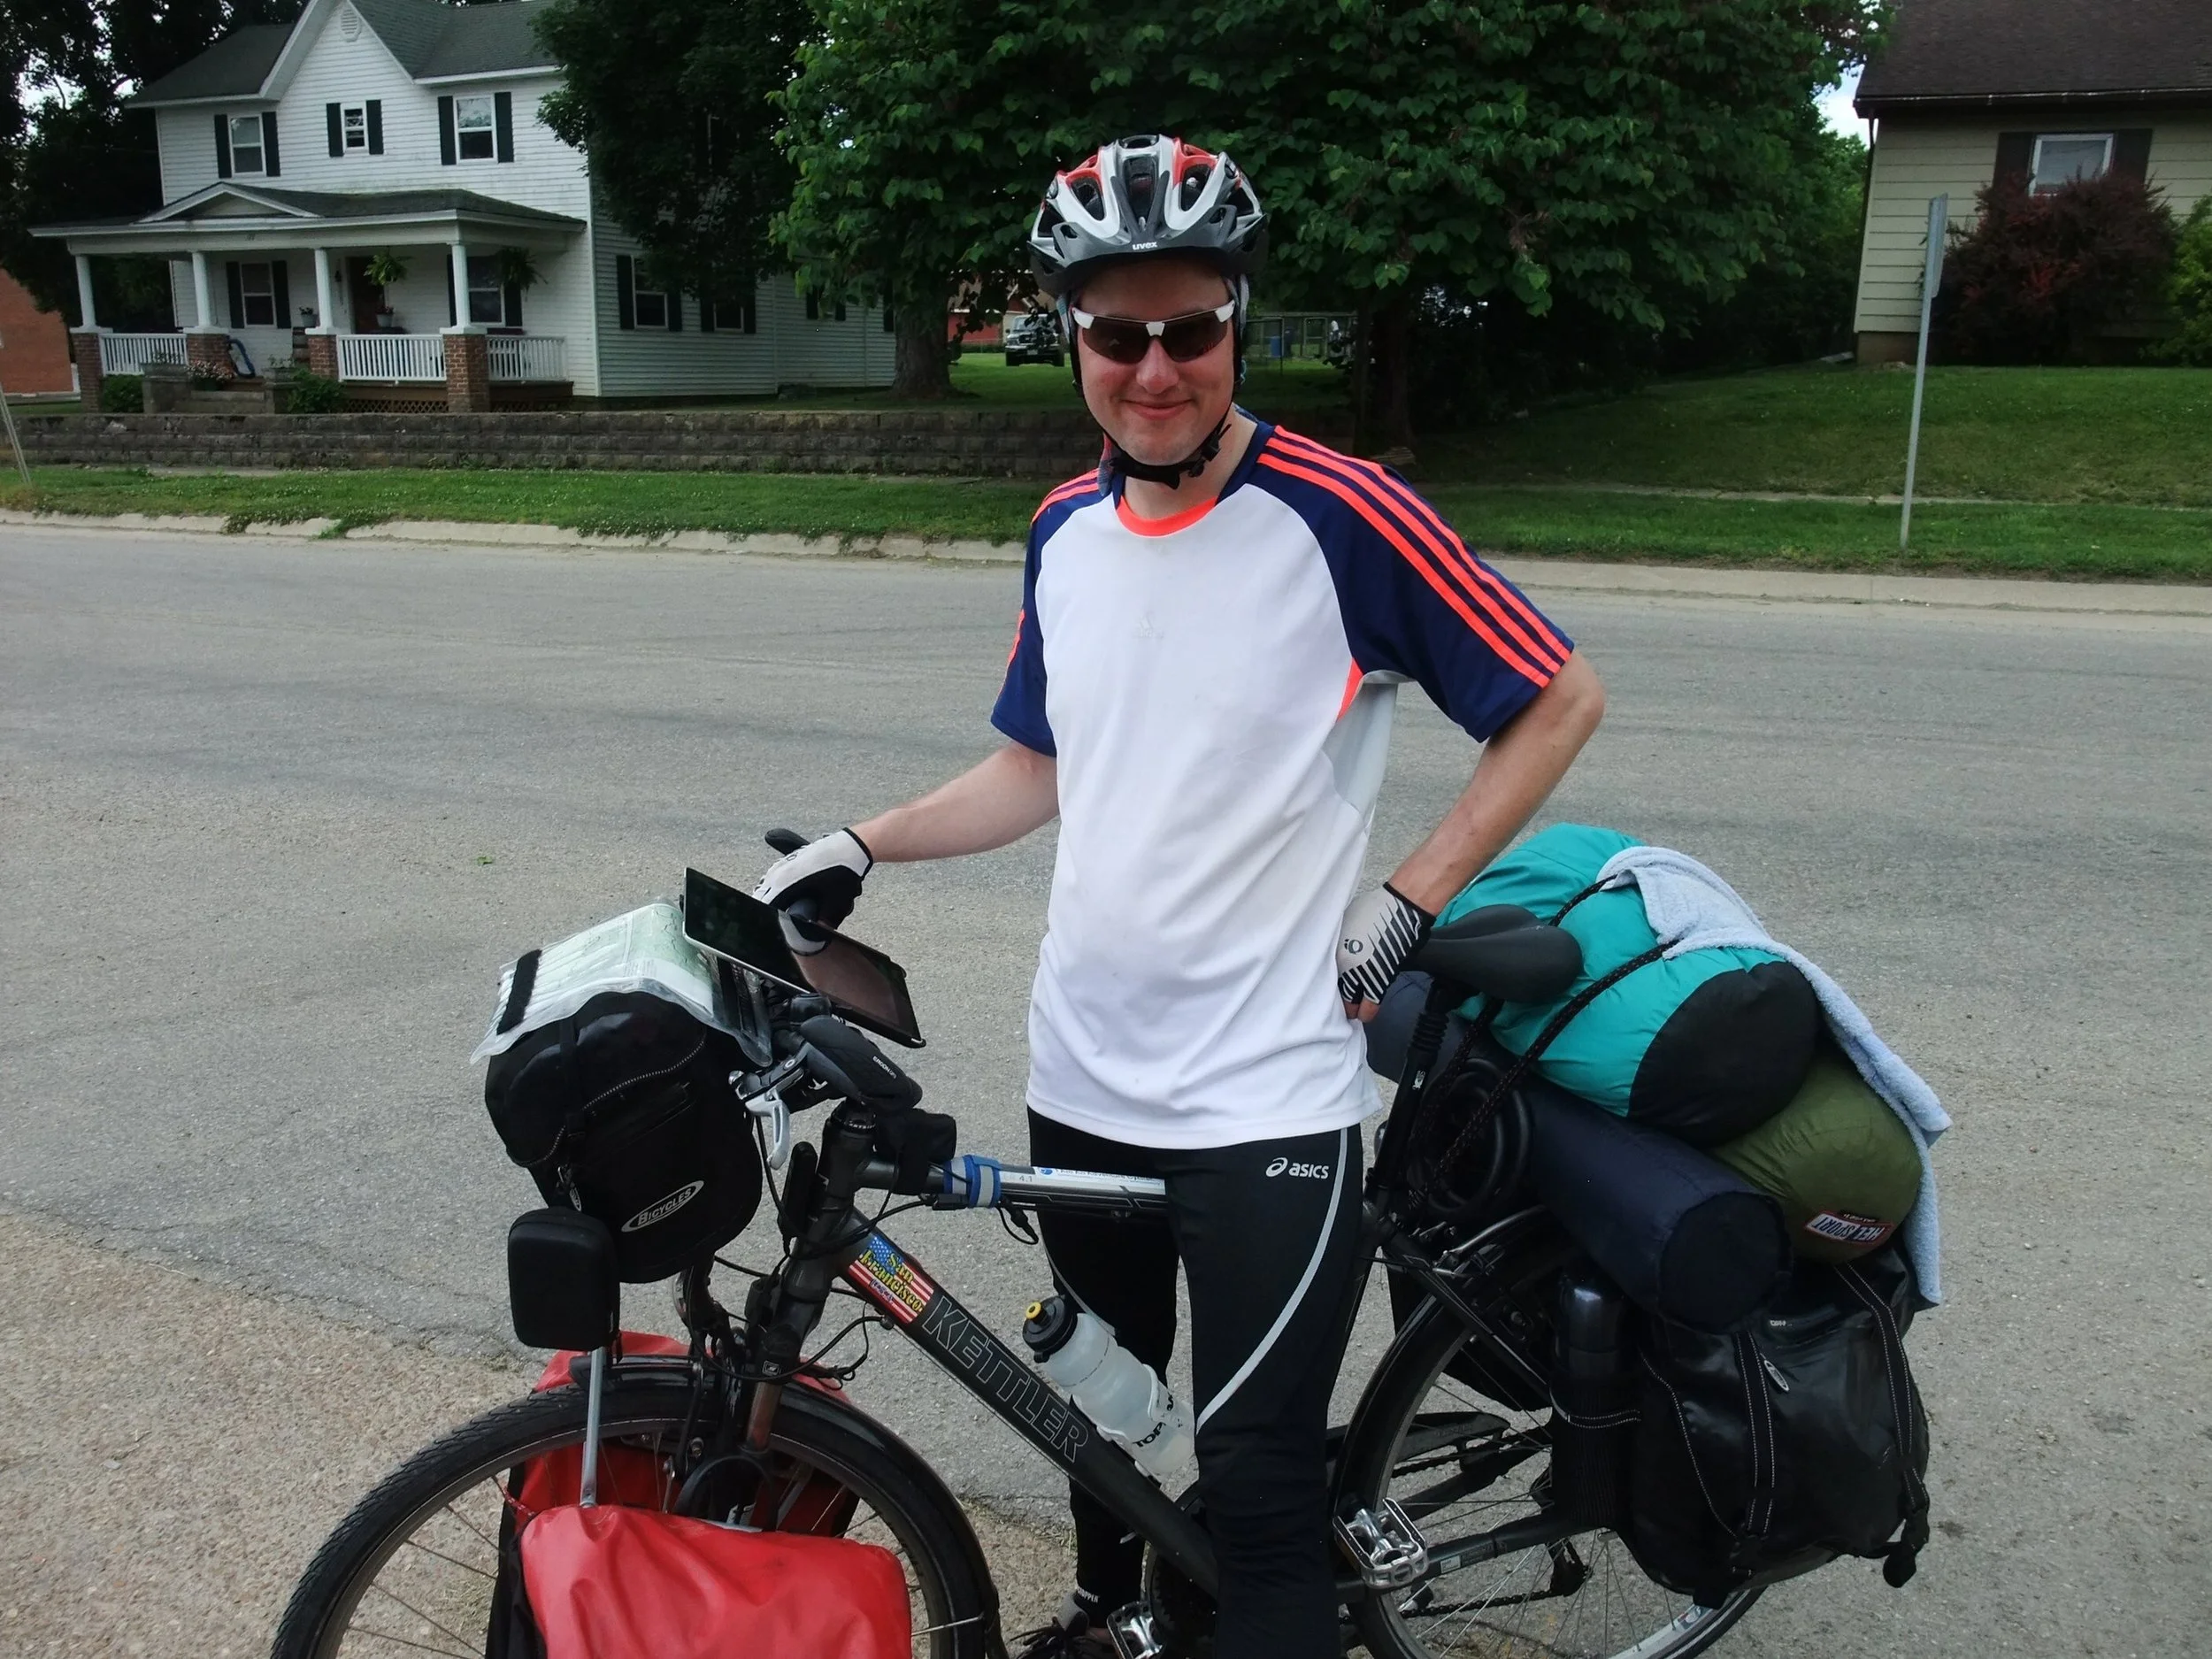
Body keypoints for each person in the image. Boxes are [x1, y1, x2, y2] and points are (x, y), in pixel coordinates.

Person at [755, 134, 1606, 1659]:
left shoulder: (1343, 515)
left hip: (1266, 1095)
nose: (1154, 369)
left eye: (1190, 329)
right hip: (1086, 1075)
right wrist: (864, 842)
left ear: (1237, 323)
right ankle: (1113, 1617)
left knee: (1257, 1489)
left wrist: (1411, 896)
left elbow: (1557, 698)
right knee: (1107, 1422)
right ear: (1069, 334)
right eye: (1117, 333)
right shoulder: (1064, 530)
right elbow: (1039, 764)